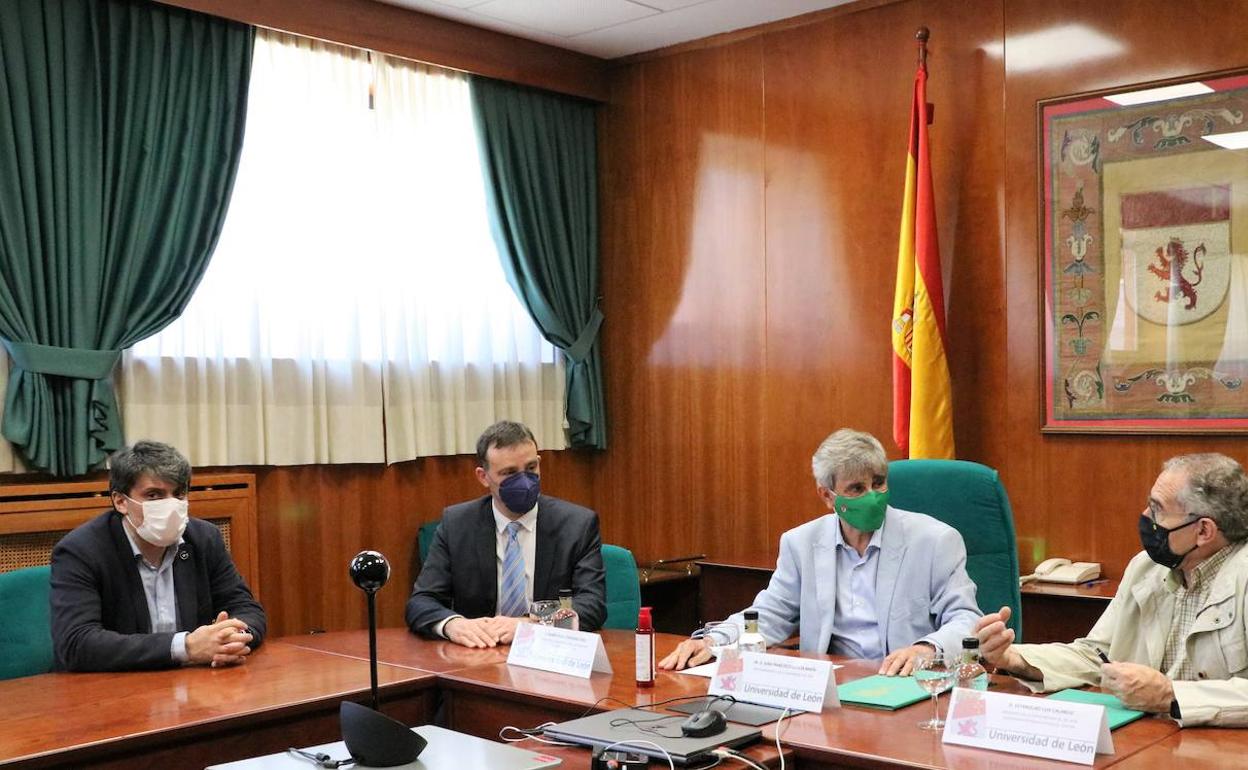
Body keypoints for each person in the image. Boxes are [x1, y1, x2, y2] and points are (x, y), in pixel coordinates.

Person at [660, 428, 981, 675]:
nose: (872, 496)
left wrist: (927, 648)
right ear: (827, 496)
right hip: (829, 687)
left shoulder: (935, 540)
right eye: (857, 488)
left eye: (879, 483)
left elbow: (966, 618)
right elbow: (770, 614)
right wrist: (713, 642)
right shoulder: (801, 543)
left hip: (901, 682)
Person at [976, 453, 1248, 727]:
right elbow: (1096, 656)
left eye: (1157, 509)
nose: (1145, 517)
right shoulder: (1146, 568)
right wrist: (1016, 659)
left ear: (1203, 530)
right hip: (1149, 739)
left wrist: (1171, 695)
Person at [50, 441, 266, 672]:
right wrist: (186, 647)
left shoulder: (204, 539)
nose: (170, 505)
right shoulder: (81, 550)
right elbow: (77, 643)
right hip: (113, 690)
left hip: (194, 688)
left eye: (178, 494)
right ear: (120, 501)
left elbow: (246, 609)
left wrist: (232, 637)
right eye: (154, 495)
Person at [405, 420, 606, 647]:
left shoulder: (577, 525)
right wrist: (454, 625)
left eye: (531, 468)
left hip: (547, 653)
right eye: (509, 473)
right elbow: (421, 602)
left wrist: (532, 624)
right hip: (479, 655)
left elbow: (592, 605)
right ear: (483, 476)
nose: (524, 481)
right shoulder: (457, 524)